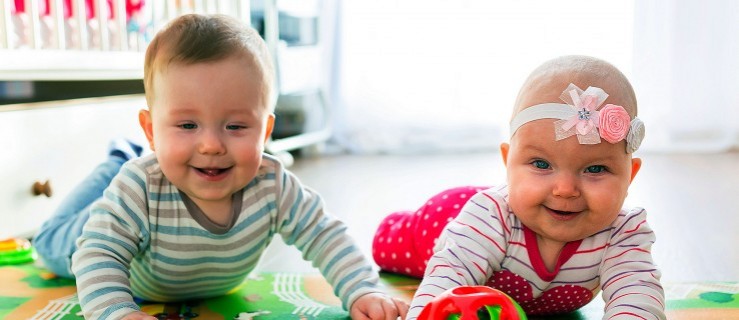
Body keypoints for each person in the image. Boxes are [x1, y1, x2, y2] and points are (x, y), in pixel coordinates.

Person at [32, 14, 408, 320]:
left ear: (266, 131)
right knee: (50, 246)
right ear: (151, 129)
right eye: (187, 125)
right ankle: (116, 161)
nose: (212, 145)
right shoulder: (139, 187)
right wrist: (116, 312)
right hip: (107, 227)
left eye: (236, 126)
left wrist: (363, 288)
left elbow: (325, 235)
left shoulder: (272, 184)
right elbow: (98, 253)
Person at [372, 55, 665, 319]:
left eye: (595, 169)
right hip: (449, 218)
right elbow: (446, 281)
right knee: (389, 242)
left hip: (515, 210)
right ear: (507, 160)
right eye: (540, 164)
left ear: (629, 176)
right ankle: (402, 224)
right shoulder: (487, 217)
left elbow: (637, 296)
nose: (565, 189)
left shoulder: (624, 233)